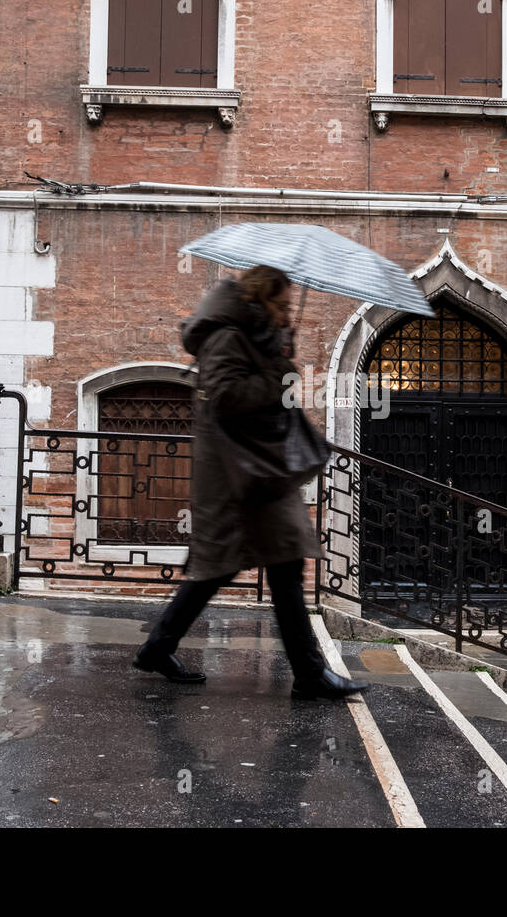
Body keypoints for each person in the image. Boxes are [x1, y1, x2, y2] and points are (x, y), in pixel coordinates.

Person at [133, 265, 369, 701]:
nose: (285, 314)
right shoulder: (227, 336)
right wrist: (276, 378)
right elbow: (224, 396)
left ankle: (161, 648)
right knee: (228, 567)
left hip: (258, 469)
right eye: (280, 305)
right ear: (260, 300)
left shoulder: (255, 335)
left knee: (272, 565)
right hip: (236, 474)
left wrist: (281, 360)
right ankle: (308, 673)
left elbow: (264, 388)